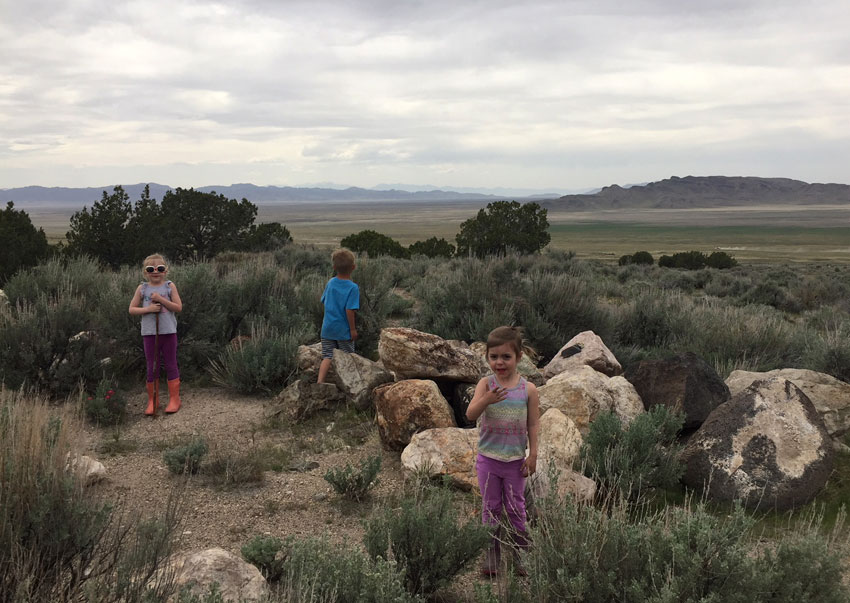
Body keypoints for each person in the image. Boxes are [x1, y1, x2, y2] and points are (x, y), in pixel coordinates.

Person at [466, 326, 540, 577]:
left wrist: (534, 455)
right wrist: (486, 399)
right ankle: (492, 553)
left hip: (514, 462)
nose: (499, 362)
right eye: (494, 356)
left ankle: (522, 552)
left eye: (506, 357)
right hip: (488, 459)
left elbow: (533, 423)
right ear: (487, 357)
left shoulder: (527, 389)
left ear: (519, 357)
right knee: (491, 507)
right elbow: (470, 414)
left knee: (516, 508)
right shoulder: (485, 384)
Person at [129, 253, 183, 415]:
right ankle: (153, 399)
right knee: (151, 366)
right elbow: (131, 309)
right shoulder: (142, 288)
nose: (155, 271)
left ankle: (175, 399)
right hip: (149, 333)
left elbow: (178, 307)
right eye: (150, 269)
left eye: (159, 268)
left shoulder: (169, 286)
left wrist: (161, 299)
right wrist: (149, 309)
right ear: (145, 272)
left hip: (168, 332)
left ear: (165, 271)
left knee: (170, 364)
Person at [317, 248, 359, 384]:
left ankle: (320, 382)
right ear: (353, 267)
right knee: (347, 358)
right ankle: (349, 386)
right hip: (343, 331)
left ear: (334, 267)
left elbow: (324, 301)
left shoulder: (330, 283)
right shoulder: (353, 287)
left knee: (327, 356)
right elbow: (349, 310)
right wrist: (352, 330)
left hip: (327, 328)